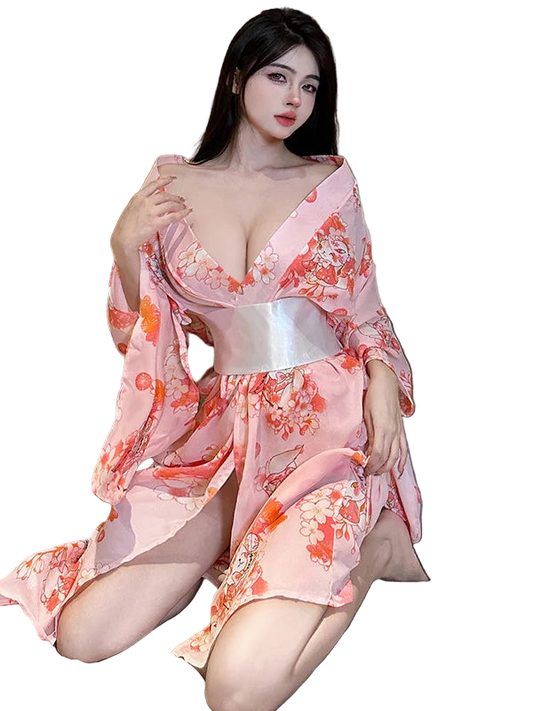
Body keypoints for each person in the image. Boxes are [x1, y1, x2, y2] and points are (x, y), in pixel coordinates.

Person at [1, 6, 431, 710]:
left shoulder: (331, 182)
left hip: (329, 428)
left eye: (310, 86)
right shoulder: (169, 182)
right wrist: (121, 244)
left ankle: (377, 546)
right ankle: (226, 546)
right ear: (235, 78)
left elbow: (365, 308)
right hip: (225, 434)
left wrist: (382, 378)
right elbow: (145, 335)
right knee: (81, 638)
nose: (294, 99)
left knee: (233, 695)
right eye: (277, 76)